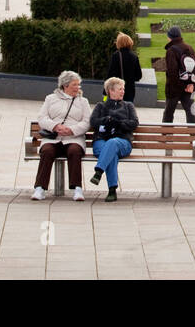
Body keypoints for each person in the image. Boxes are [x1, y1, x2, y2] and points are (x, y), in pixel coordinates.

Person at [32, 70, 92, 201]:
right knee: (47, 151)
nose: (78, 88)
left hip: (74, 138)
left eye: (78, 85)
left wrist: (72, 130)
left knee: (74, 151)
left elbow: (87, 122)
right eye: (74, 85)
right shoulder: (50, 99)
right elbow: (42, 118)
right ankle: (40, 188)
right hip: (53, 138)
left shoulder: (83, 101)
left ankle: (77, 189)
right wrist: (55, 126)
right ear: (65, 86)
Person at [88, 77, 139, 202]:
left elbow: (134, 123)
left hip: (122, 141)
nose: (123, 91)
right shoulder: (100, 106)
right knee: (111, 153)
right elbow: (93, 122)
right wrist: (106, 120)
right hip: (101, 140)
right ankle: (112, 190)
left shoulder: (128, 106)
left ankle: (99, 171)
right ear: (111, 91)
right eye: (120, 89)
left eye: (123, 89)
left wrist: (119, 123)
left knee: (112, 144)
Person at [162, 26, 195, 124]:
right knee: (191, 113)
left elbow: (172, 73)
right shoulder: (190, 48)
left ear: (169, 37)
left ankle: (166, 136)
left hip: (174, 88)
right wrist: (192, 85)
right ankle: (194, 137)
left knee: (169, 113)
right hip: (189, 87)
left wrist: (182, 86)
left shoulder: (171, 50)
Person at [106, 31, 144, 102]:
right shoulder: (134, 57)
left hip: (117, 89)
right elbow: (139, 75)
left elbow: (110, 74)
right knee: (127, 110)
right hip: (130, 90)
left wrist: (105, 92)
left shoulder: (116, 56)